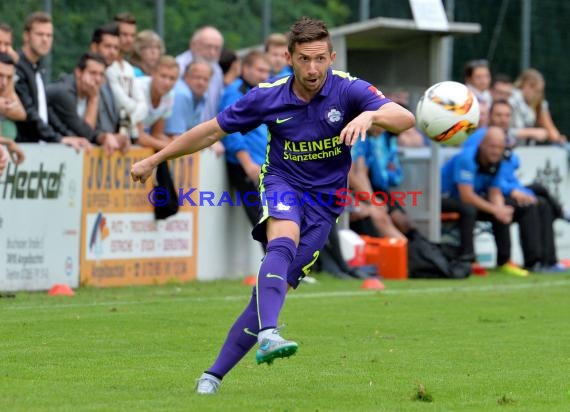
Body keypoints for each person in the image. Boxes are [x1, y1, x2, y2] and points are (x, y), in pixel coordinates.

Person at [131, 17, 414, 394]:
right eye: (303, 59)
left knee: (269, 292)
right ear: (289, 58)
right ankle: (269, 333)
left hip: (327, 204)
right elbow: (212, 130)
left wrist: (372, 113)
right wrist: (155, 159)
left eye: (319, 59)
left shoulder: (350, 90)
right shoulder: (269, 95)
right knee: (282, 241)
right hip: (283, 183)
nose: (312, 69)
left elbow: (406, 118)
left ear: (330, 57)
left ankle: (212, 376)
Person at [441, 127, 530, 277]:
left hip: (469, 200)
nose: (496, 151)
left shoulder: (499, 162)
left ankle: (504, 261)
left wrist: (500, 209)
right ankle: (468, 260)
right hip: (441, 198)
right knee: (469, 209)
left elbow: (495, 192)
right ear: (482, 144)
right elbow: (466, 196)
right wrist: (495, 210)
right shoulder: (467, 159)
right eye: (492, 146)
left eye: (500, 147)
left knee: (502, 208)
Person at [14, 11, 90, 151]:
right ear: (26, 36)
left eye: (49, 35)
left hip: (37, 148)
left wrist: (67, 136)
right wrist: (58, 138)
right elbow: (30, 113)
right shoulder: (16, 66)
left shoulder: (36, 67)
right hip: (19, 149)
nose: (45, 39)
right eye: (40, 34)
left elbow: (44, 111)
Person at [219, 50, 270, 227]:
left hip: (260, 167)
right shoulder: (235, 92)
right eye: (260, 70)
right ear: (245, 68)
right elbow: (230, 131)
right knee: (265, 226)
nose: (264, 76)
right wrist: (247, 164)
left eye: (266, 71)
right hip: (245, 168)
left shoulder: (256, 92)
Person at [46, 52, 126, 156]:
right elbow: (83, 133)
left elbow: (92, 130)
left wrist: (110, 137)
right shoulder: (64, 92)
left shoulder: (90, 92)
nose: (97, 79)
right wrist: (94, 99)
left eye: (101, 74)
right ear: (79, 72)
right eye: (93, 73)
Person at [106, 13, 147, 141]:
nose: (129, 39)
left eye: (132, 35)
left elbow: (144, 105)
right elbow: (121, 102)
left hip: (127, 136)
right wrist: (134, 112)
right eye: (124, 34)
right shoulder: (107, 67)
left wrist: (129, 118)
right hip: (108, 134)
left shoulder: (129, 69)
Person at [509, 68, 567, 145]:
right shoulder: (511, 99)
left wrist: (559, 139)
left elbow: (550, 129)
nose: (538, 95)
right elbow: (504, 132)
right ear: (526, 85)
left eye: (540, 91)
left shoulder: (538, 103)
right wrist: (531, 133)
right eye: (537, 91)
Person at [135, 55, 179, 150]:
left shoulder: (170, 95)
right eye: (163, 76)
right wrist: (173, 148)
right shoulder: (138, 88)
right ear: (153, 73)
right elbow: (138, 137)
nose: (167, 82)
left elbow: (156, 133)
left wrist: (177, 143)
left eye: (172, 78)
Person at [164, 60, 212, 137]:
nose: (201, 83)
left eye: (205, 79)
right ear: (185, 76)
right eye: (197, 77)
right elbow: (174, 136)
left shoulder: (201, 96)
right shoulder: (181, 94)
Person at [0, 52, 26, 140]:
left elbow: (21, 114)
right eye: (0, 75)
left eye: (9, 77)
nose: (4, 83)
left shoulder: (8, 91)